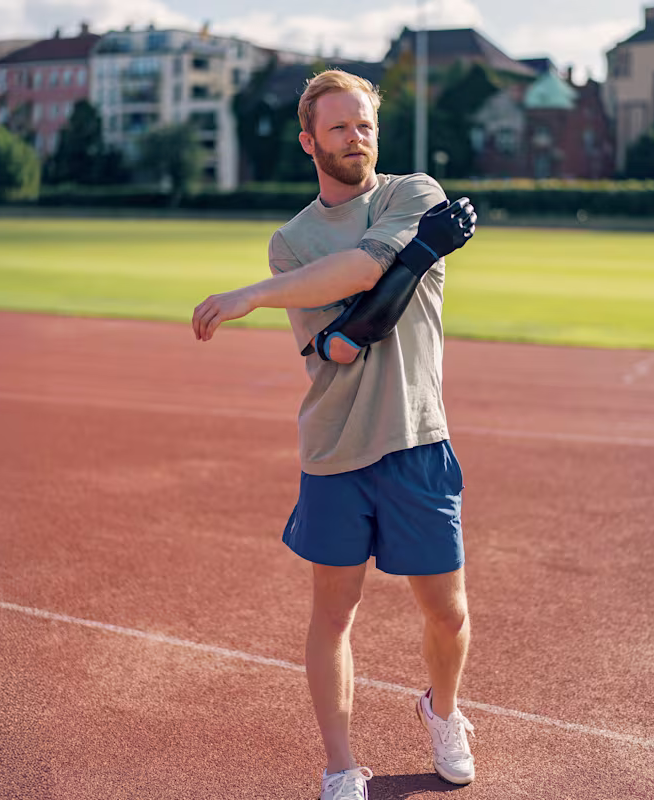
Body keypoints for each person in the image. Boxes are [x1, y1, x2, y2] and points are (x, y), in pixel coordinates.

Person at [191, 69, 477, 800]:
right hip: (334, 449)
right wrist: (279, 293)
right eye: (340, 127)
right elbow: (343, 342)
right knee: (333, 614)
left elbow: (366, 267)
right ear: (308, 140)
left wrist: (253, 297)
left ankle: (443, 712)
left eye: (365, 125)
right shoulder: (291, 243)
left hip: (416, 436)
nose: (357, 137)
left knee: (447, 614)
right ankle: (341, 765)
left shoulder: (414, 193)